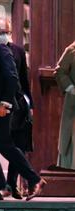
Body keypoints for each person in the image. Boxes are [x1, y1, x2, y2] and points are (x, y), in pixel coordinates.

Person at [0, 18, 46, 201]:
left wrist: (29, 105)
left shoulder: (15, 50)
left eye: (7, 31)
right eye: (0, 31)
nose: (4, 35)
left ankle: (21, 182)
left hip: (10, 104)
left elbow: (20, 81)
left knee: (10, 144)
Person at [54, 40, 75, 170]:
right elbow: (59, 71)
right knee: (71, 138)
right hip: (74, 103)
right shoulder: (72, 50)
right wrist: (71, 88)